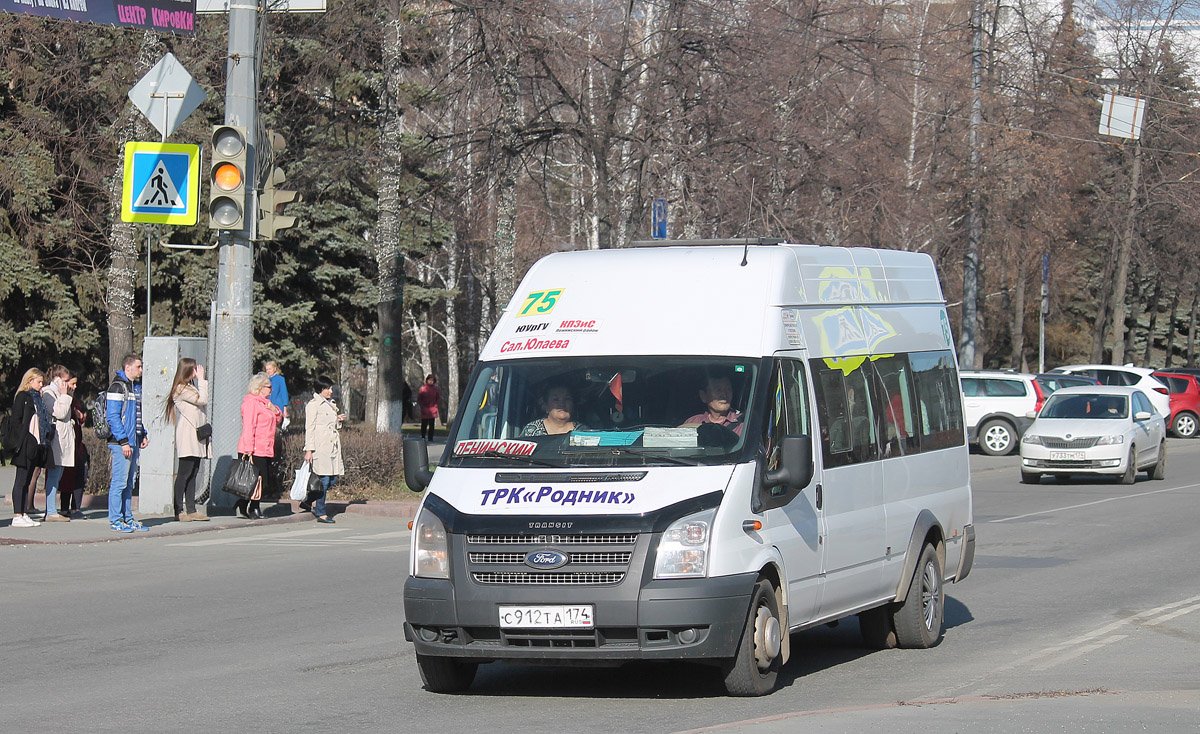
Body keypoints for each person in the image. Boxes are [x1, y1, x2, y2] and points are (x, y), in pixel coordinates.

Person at [106, 353, 149, 533]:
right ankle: (115, 519)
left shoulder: (134, 387)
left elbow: (135, 415)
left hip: (133, 440)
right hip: (121, 443)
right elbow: (113, 416)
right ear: (128, 367)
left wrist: (142, 433)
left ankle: (127, 517)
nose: (141, 370)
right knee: (120, 482)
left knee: (129, 483)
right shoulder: (118, 387)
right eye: (138, 367)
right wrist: (123, 441)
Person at [165, 358, 211, 522]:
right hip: (188, 433)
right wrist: (202, 380)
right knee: (184, 472)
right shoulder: (180, 389)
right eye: (194, 369)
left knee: (193, 472)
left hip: (197, 433)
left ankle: (191, 509)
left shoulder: (190, 387)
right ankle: (178, 510)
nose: (197, 372)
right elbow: (202, 400)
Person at [236, 372, 283, 519]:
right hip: (253, 448)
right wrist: (249, 448)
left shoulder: (266, 404)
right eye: (269, 387)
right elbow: (249, 427)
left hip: (266, 447)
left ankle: (243, 503)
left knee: (262, 480)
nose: (271, 389)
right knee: (256, 480)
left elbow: (277, 419)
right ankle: (253, 508)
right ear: (260, 388)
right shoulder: (251, 403)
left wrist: (275, 411)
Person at [8, 368, 49, 528]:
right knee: (21, 479)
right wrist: (23, 439)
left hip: (36, 443)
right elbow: (17, 421)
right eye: (38, 382)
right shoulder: (23, 397)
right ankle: (17, 514)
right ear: (29, 380)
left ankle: (24, 512)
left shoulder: (37, 398)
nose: (41, 385)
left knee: (27, 479)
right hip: (25, 443)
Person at [302, 375, 346, 524]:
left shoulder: (330, 404)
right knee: (324, 481)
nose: (330, 391)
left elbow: (330, 425)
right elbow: (310, 428)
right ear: (320, 389)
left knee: (332, 479)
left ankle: (308, 501)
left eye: (331, 388)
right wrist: (309, 449)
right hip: (320, 447)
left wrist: (337, 420)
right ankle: (321, 512)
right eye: (327, 388)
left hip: (332, 447)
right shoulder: (313, 405)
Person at [40, 365, 76, 522]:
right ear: (58, 379)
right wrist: (65, 395)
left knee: (59, 474)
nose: (69, 385)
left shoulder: (61, 393)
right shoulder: (49, 393)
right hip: (56, 438)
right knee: (54, 475)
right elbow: (59, 412)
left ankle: (52, 509)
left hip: (64, 437)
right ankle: (51, 510)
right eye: (66, 380)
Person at [59, 375, 89, 519]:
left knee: (80, 474)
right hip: (67, 444)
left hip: (78, 445)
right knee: (67, 476)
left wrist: (80, 416)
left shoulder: (74, 401)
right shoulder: (63, 398)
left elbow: (79, 418)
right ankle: (64, 508)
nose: (75, 387)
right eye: (72, 384)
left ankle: (76, 507)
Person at [521, 384, 587, 435]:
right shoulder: (531, 430)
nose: (562, 404)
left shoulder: (583, 432)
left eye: (567, 399)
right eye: (556, 400)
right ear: (546, 405)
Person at [264, 361, 291, 430]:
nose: (268, 371)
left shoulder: (280, 379)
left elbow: (284, 394)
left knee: (277, 428)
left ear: (275, 369)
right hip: (267, 407)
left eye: (270, 369)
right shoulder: (264, 380)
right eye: (266, 369)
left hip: (278, 407)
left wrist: (285, 410)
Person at [417, 373, 442, 441]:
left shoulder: (436, 389)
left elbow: (438, 398)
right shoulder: (422, 389)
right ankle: (423, 436)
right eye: (429, 380)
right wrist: (422, 407)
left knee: (431, 424)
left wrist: (435, 406)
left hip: (432, 409)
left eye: (432, 380)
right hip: (425, 408)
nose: (431, 381)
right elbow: (419, 398)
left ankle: (430, 437)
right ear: (426, 380)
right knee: (424, 424)